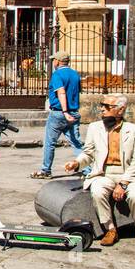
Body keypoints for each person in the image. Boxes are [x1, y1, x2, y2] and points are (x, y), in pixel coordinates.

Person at [65, 95, 135, 249]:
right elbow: (88, 153)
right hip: (104, 173)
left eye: (107, 106)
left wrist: (123, 183)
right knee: (98, 191)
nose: (102, 109)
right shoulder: (95, 128)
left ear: (120, 110)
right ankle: (110, 229)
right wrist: (76, 163)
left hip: (129, 174)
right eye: (102, 105)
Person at [32, 51, 83, 179]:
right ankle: (87, 169)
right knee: (76, 142)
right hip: (74, 112)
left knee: (50, 142)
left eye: (54, 60)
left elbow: (61, 92)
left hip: (59, 113)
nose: (53, 62)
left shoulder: (57, 75)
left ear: (58, 61)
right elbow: (77, 92)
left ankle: (46, 170)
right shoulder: (75, 75)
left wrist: (65, 112)